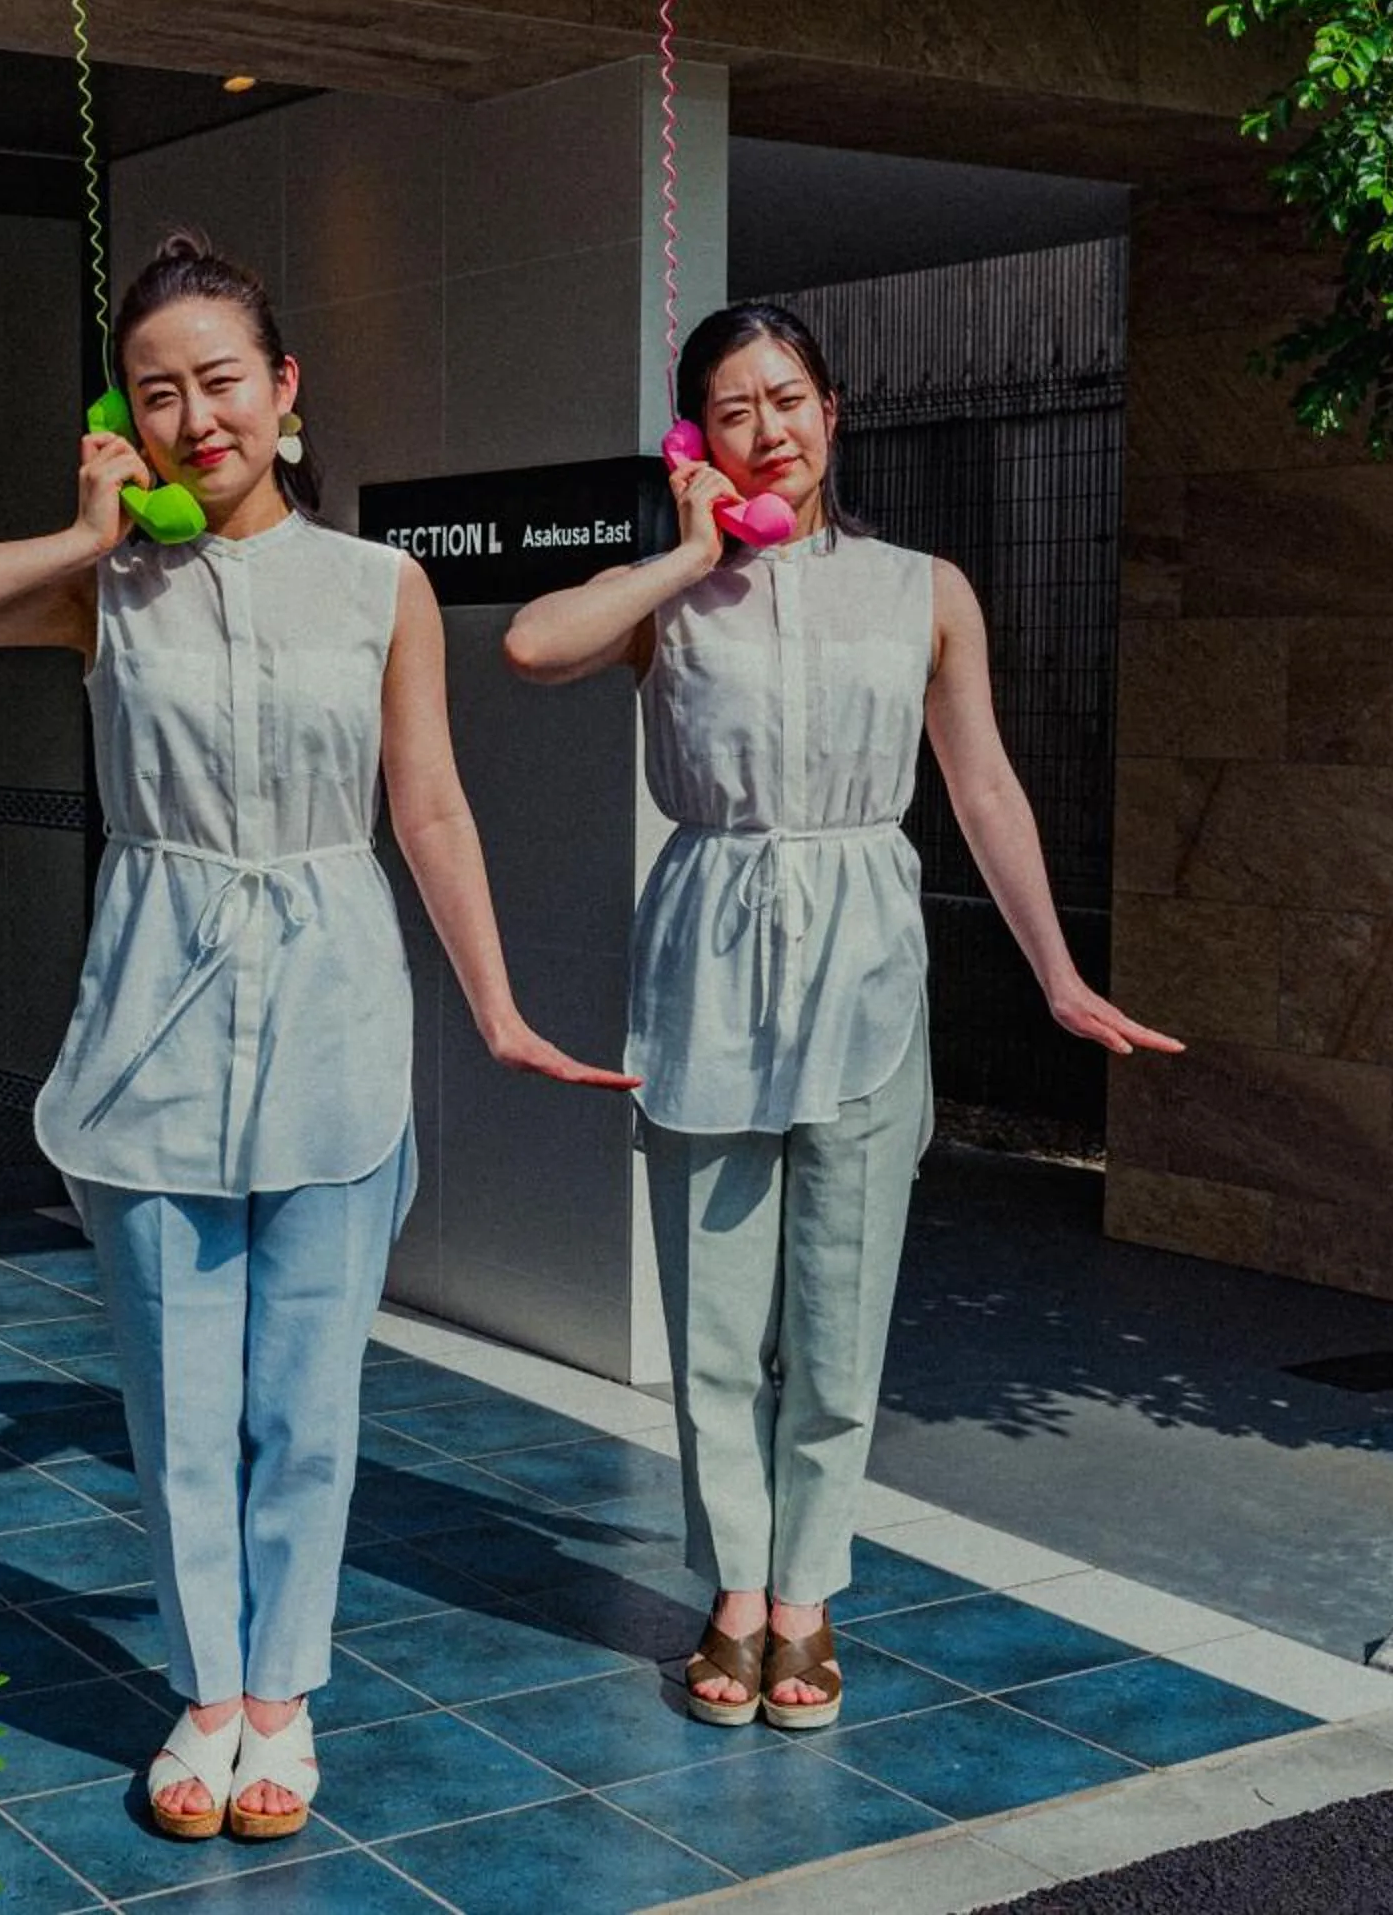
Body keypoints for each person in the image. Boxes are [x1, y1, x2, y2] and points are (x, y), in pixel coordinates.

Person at [0, 231, 631, 1838]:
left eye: (220, 382)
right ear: (122, 422)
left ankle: (284, 1702)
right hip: (153, 1008)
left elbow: (427, 805)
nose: (193, 417)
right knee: (175, 1392)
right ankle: (204, 1698)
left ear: (285, 392)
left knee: (306, 1394)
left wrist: (495, 1008)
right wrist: (76, 533)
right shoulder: (108, 586)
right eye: (157, 395)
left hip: (337, 1004)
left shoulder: (380, 586)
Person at [501, 301, 1181, 1729]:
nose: (771, 429)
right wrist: (687, 550)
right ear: (696, 433)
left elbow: (983, 784)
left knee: (838, 1309)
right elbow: (531, 649)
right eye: (735, 406)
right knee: (714, 1315)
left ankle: (806, 1593)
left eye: (790, 396)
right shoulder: (671, 593)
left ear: (834, 409)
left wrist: (1055, 973)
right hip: (705, 965)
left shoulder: (922, 587)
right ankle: (735, 1590)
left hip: (866, 966)